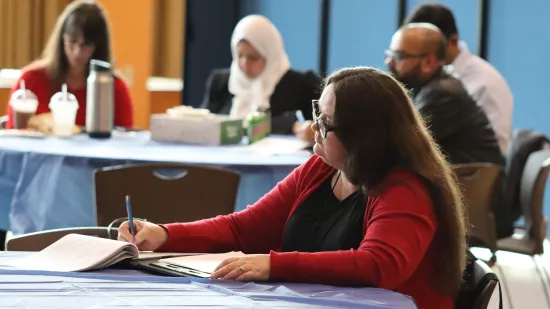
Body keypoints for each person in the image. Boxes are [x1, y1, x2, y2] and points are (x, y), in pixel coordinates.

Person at [119, 66, 468, 309]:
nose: (314, 128)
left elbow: (377, 265)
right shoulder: (322, 167)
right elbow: (244, 227)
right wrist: (164, 235)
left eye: (325, 123)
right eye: (318, 114)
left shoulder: (405, 187)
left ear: (363, 137)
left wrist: (273, 265)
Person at [5, 0, 134, 129]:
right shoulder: (31, 80)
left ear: (98, 47)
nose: (77, 52)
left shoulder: (114, 89)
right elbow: (11, 137)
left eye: (86, 45)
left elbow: (124, 141)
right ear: (62, 40)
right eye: (72, 41)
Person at [385, 23, 502, 165]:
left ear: (428, 62)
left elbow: (401, 147)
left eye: (398, 56)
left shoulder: (442, 94)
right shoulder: (428, 86)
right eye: (390, 54)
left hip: (468, 183)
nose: (389, 62)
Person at [404, 3, 513, 154]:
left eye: (428, 47)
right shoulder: (435, 78)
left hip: (469, 172)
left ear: (453, 41)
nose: (423, 58)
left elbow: (492, 154)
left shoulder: (484, 82)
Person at [200, 15, 320, 135]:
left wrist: (302, 129)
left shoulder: (302, 84)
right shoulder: (221, 82)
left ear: (270, 54)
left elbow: (319, 128)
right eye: (239, 55)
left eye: (254, 57)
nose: (245, 64)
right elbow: (204, 123)